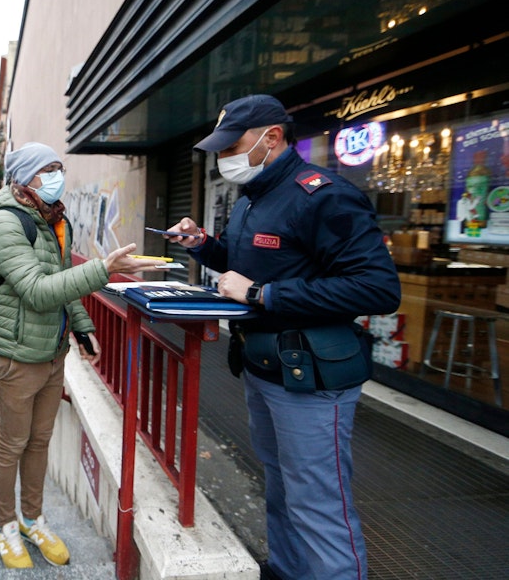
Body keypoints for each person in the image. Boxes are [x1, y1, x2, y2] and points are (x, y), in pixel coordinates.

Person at [167, 94, 401, 580]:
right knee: (280, 488)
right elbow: (244, 258)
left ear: (272, 137)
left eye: (233, 145)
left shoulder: (325, 194)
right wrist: (205, 246)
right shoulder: (255, 197)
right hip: (264, 366)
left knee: (318, 504)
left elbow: (377, 288)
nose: (223, 157)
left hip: (312, 378)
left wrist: (262, 294)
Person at [0, 141, 163, 569]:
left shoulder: (51, 219)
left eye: (59, 168)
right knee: (12, 443)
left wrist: (82, 328)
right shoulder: (5, 224)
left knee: (40, 441)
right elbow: (40, 292)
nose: (57, 176)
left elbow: (62, 280)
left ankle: (32, 518)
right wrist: (104, 269)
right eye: (48, 170)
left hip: (52, 350)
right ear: (24, 178)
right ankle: (4, 524)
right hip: (16, 354)